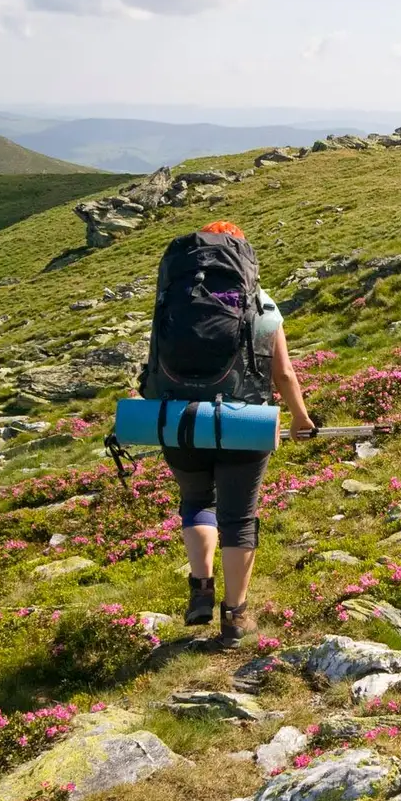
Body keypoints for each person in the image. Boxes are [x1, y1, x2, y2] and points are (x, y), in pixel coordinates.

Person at [150, 221, 315, 647]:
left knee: (196, 501)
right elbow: (284, 373)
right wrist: (299, 417)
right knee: (238, 517)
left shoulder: (174, 297)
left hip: (179, 419)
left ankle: (201, 589)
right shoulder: (261, 305)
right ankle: (235, 617)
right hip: (243, 419)